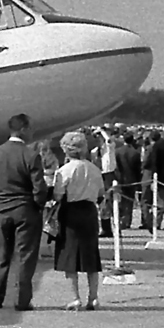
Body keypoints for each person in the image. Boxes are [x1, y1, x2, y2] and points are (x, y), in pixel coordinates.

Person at [0, 113, 49, 311]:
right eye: (30, 128)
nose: (32, 132)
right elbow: (39, 188)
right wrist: (39, 206)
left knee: (2, 255)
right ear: (23, 129)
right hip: (25, 210)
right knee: (25, 256)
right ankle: (22, 300)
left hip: (2, 210)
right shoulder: (30, 155)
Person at [51, 131, 104, 310]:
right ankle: (94, 297)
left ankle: (75, 298)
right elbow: (100, 194)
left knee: (70, 255)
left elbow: (58, 195)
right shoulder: (94, 169)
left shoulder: (64, 171)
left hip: (70, 212)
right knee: (91, 254)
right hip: (89, 211)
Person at [114, 133, 142, 232]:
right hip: (132, 180)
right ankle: (127, 221)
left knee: (120, 201)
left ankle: (120, 220)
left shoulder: (117, 151)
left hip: (120, 179)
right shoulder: (135, 153)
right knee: (129, 202)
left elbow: (116, 167)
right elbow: (138, 169)